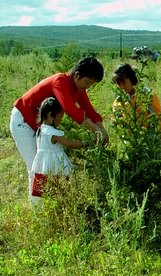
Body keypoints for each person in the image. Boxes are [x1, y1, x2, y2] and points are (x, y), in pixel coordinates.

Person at [9, 56, 108, 203]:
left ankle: (45, 204)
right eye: (87, 82)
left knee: (44, 167)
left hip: (39, 127)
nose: (87, 87)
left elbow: (90, 111)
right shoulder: (60, 81)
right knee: (36, 167)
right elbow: (70, 109)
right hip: (23, 121)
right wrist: (96, 130)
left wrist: (102, 131)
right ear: (77, 75)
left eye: (91, 85)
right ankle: (36, 209)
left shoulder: (79, 89)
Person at [31, 97, 91, 204]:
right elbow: (69, 144)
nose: (61, 119)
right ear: (50, 115)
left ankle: (51, 207)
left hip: (44, 166)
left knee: (47, 190)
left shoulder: (40, 130)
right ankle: (65, 204)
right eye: (60, 116)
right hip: (55, 165)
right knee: (61, 188)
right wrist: (85, 143)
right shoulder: (52, 133)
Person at [111, 63, 161, 130]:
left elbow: (159, 119)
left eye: (123, 81)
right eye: (118, 83)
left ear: (131, 78)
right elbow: (115, 113)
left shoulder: (147, 94)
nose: (121, 86)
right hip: (130, 136)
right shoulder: (121, 97)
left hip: (147, 136)